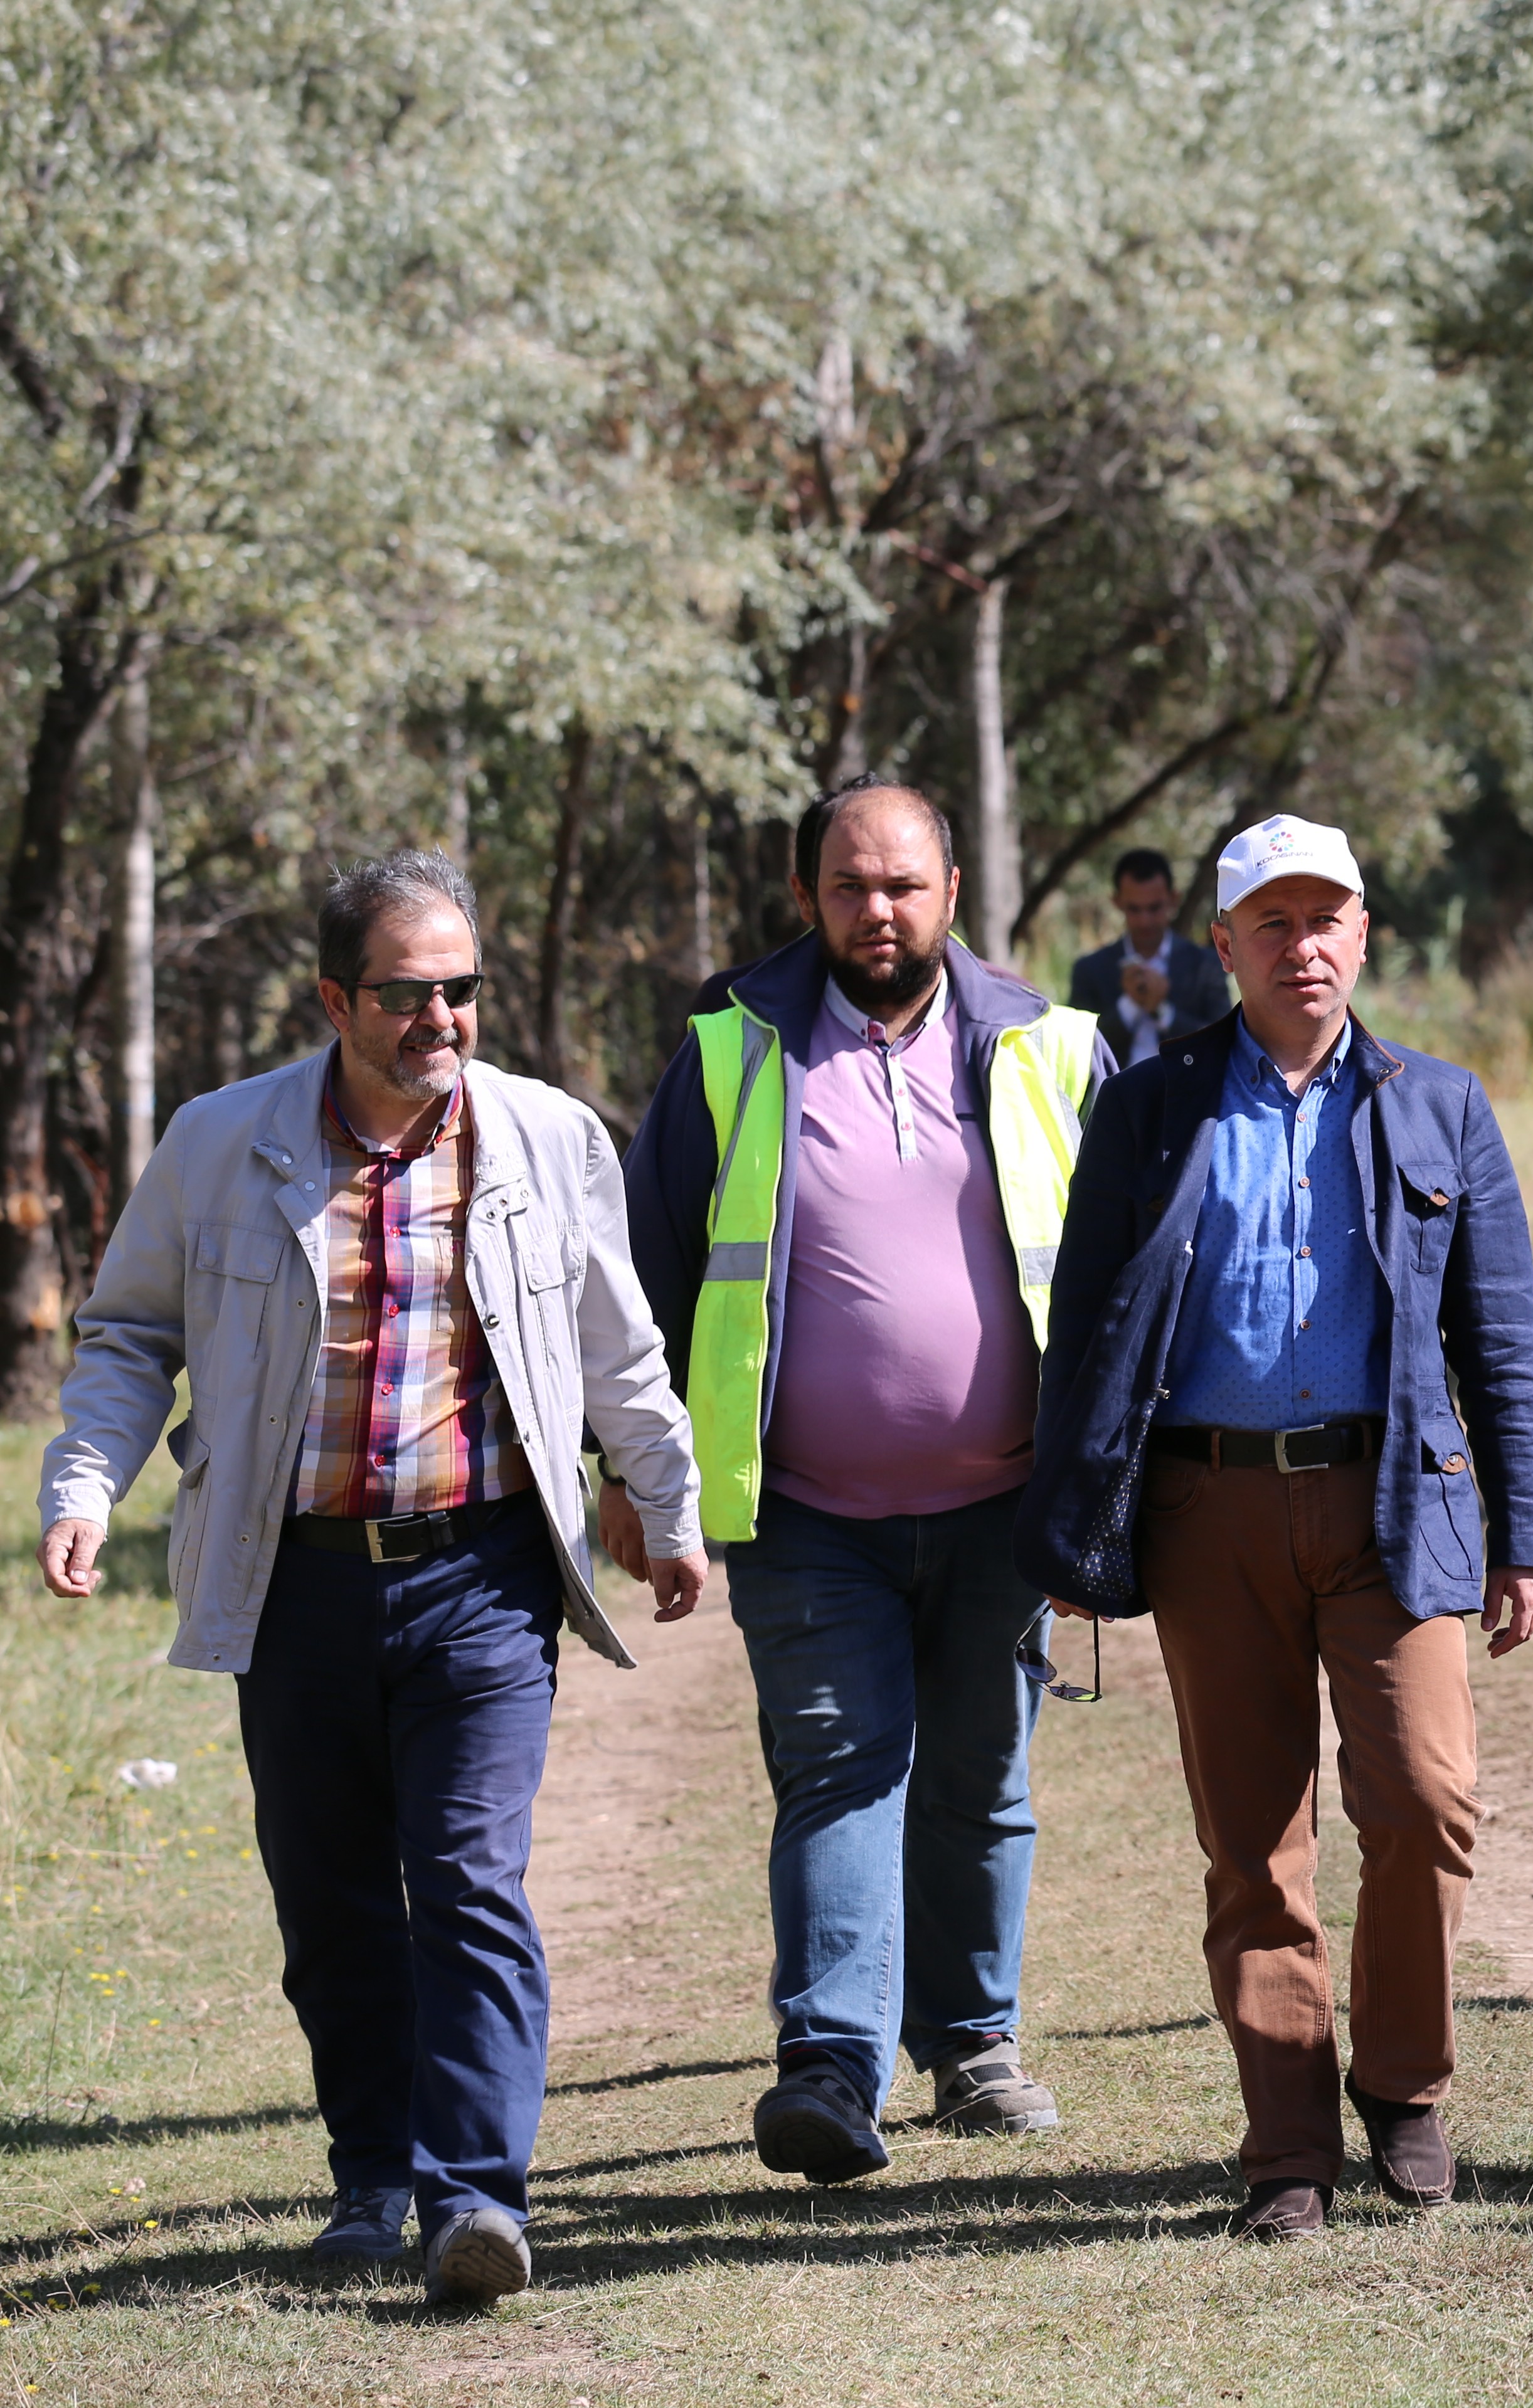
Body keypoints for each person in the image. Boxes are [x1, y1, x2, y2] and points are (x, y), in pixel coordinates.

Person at [34, 851, 708, 2307]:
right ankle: (373, 2176)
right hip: (295, 1580)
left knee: (468, 1878)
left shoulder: (543, 1138)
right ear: (335, 997)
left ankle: (478, 2198)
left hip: (481, 1570)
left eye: (461, 988)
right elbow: (128, 1333)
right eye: (407, 993)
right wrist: (85, 1482)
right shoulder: (223, 1141)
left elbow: (616, 1338)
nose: (442, 1018)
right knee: (333, 1895)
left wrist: (666, 1497)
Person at [1019, 811, 1533, 2241]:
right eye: (1271, 921)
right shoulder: (1149, 1106)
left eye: (1325, 918)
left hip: (1396, 1501)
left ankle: (1400, 2076)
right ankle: (1285, 2151)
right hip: (1206, 1506)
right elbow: (1083, 1327)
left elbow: (1495, 1335)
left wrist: (1528, 1536)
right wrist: (1074, 1530)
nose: (1300, 944)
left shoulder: (1437, 1102)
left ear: (1363, 935)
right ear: (1223, 945)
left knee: (1426, 1802)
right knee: (1254, 1844)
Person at [620, 774, 1113, 2185]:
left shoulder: (1051, 1048)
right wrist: (641, 1475)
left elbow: (1128, 1271)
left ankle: (972, 2045)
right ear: (806, 900)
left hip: (1006, 1507)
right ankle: (831, 2070)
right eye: (849, 886)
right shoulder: (731, 1049)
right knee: (839, 1771)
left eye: (902, 885)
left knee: (982, 1774)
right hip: (807, 1515)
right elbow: (648, 1273)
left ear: (953, 893)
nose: (877, 910)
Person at [1069, 846, 1229, 1069]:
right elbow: (1076, 1047)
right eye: (1134, 909)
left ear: (1173, 899)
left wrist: (1163, 1012)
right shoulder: (1091, 970)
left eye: (1154, 908)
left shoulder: (1205, 965)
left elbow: (1224, 1042)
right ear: (1117, 902)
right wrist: (1130, 1006)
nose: (1145, 921)